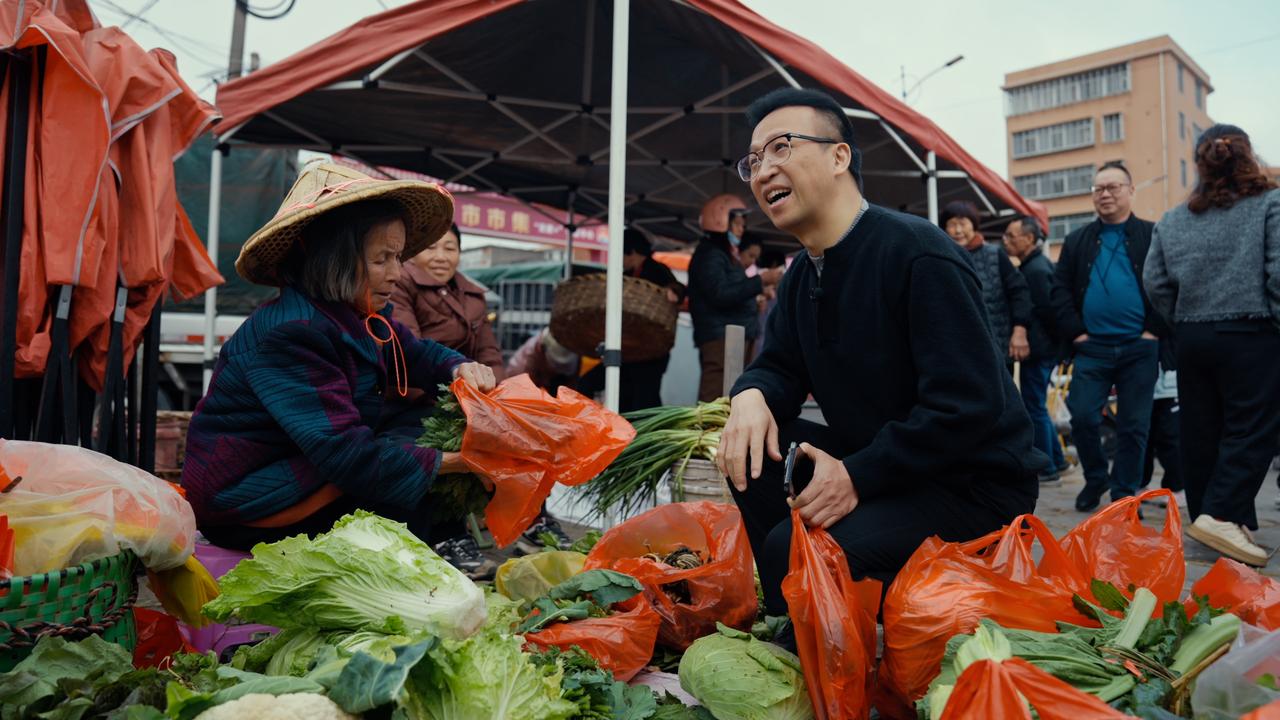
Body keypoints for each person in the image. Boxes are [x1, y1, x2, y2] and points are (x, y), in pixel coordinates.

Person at [717, 87, 1044, 622]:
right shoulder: (802, 275)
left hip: (971, 486)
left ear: (838, 156)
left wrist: (857, 476)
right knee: (755, 455)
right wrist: (750, 395)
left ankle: (834, 629)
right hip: (885, 462)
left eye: (780, 147)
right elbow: (778, 366)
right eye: (753, 161)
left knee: (792, 552)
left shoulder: (917, 252)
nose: (763, 170)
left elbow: (967, 407)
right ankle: (802, 619)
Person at [182, 163, 498, 564]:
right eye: (382, 259)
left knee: (418, 427)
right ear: (334, 258)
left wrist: (460, 368)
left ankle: (422, 560)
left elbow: (416, 353)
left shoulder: (358, 316)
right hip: (249, 501)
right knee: (404, 478)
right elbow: (349, 455)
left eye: (398, 257)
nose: (396, 273)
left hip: (309, 470)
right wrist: (460, 462)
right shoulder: (292, 333)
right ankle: (410, 573)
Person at [1143, 124, 1280, 567]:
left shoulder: (1173, 218)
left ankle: (1214, 519)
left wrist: (1182, 320)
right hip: (1251, 332)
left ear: (1200, 164)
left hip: (1192, 336)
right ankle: (1221, 516)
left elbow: (1154, 281)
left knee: (1200, 430)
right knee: (1252, 428)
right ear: (1248, 156)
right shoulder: (1270, 204)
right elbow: (1278, 274)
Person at [1051, 161, 1169, 512]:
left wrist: (1153, 331)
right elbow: (1059, 291)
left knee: (1134, 425)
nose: (1105, 194)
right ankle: (1096, 477)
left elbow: (1169, 285)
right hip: (1092, 348)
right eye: (1098, 188)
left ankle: (1124, 494)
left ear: (1131, 191)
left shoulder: (1153, 234)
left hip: (1140, 347)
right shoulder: (1077, 240)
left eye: (1113, 187)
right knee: (1082, 417)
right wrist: (1077, 333)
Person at [688, 195, 784, 402]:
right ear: (721, 221)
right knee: (714, 395)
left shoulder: (722, 255)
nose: (741, 230)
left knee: (729, 394)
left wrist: (754, 301)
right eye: (737, 224)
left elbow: (730, 291)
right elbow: (720, 294)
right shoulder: (711, 254)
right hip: (720, 336)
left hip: (732, 335)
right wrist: (760, 280)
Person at [390, 222, 505, 379]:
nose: (441, 257)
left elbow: (489, 353)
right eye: (430, 247)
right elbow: (409, 353)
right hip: (419, 388)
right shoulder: (398, 283)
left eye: (450, 249)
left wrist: (493, 386)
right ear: (414, 251)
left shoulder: (473, 294)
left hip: (468, 388)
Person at [1003, 215, 1068, 483]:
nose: (1005, 241)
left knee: (1034, 407)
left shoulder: (1036, 270)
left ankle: (1047, 467)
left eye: (1011, 236)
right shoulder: (1033, 266)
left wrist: (1052, 344)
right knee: (1037, 405)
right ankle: (1058, 461)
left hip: (1040, 349)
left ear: (1029, 239)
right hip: (1043, 348)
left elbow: (1049, 311)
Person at [941, 201, 1032, 366]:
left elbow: (1019, 292)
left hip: (997, 348)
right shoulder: (941, 258)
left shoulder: (995, 254)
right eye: (952, 225)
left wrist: (1020, 330)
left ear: (974, 226)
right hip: (957, 351)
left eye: (963, 224)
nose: (958, 230)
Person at [618, 228, 687, 412]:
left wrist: (673, 292)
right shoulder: (626, 274)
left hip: (653, 349)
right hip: (630, 349)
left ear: (632, 252)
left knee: (645, 398)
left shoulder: (656, 269)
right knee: (626, 397)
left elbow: (679, 288)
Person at [1141, 339, 1183, 506]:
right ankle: (1140, 484)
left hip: (1171, 384)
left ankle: (1176, 488)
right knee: (1143, 438)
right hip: (1142, 383)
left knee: (1170, 439)